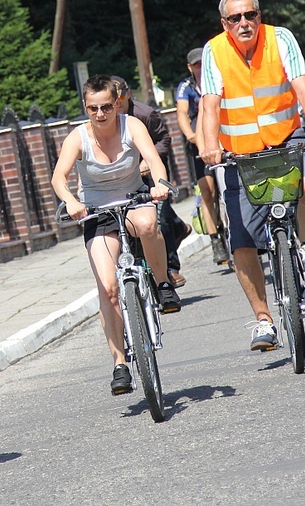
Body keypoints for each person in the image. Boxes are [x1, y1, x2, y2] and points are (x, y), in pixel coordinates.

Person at [200, 0, 305, 351]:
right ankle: (263, 320)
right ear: (224, 23)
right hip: (239, 153)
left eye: (250, 15)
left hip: (288, 136)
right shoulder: (214, 51)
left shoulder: (280, 38)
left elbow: (302, 88)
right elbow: (210, 105)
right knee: (241, 240)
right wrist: (210, 148)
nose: (244, 23)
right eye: (235, 18)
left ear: (259, 15)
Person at [51, 75, 181, 395]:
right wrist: (70, 201)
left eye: (106, 106)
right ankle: (120, 363)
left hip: (133, 198)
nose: (100, 114)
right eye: (93, 108)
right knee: (108, 290)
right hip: (96, 212)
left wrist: (160, 184)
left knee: (149, 225)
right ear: (86, 107)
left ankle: (162, 283)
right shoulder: (77, 138)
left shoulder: (131, 127)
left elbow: (154, 161)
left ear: (117, 103)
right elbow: (58, 177)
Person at [112, 75, 191, 288]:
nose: (116, 104)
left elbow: (164, 139)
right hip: (126, 178)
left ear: (128, 94)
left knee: (160, 220)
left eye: (120, 98)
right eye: (113, 100)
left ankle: (170, 269)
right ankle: (179, 228)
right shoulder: (107, 118)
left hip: (151, 172)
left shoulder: (145, 114)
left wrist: (150, 160)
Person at [176, 48, 229, 265]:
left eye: (202, 63)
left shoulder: (218, 78)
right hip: (199, 141)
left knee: (228, 188)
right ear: (190, 67)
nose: (199, 67)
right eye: (196, 65)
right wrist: (189, 134)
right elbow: (181, 113)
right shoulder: (186, 87)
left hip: (222, 136)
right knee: (207, 191)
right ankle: (216, 239)